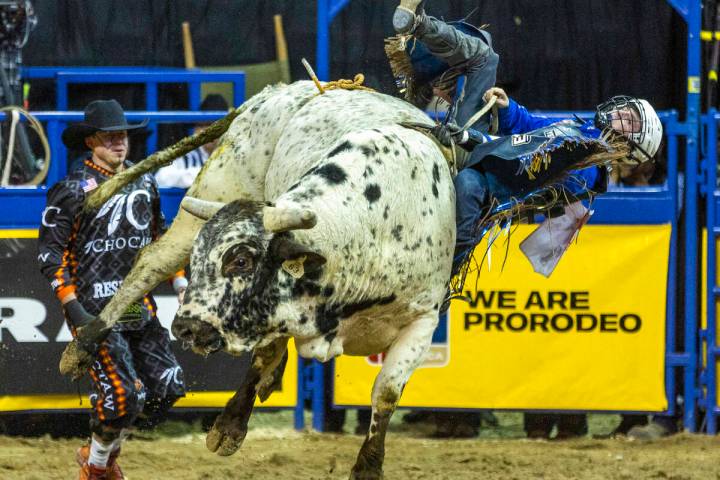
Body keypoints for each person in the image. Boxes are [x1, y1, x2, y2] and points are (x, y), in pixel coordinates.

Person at [38, 99, 187, 479]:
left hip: (136, 305)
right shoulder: (70, 189)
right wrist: (73, 309)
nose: (119, 144)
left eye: (123, 136)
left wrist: (181, 284)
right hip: (94, 308)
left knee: (168, 386)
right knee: (124, 394)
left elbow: (161, 242)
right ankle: (98, 468)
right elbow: (50, 255)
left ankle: (100, 451)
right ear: (91, 142)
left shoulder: (145, 181)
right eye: (110, 138)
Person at [154, 94, 229, 188]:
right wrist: (202, 175)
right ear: (196, 129)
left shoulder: (232, 154)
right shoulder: (187, 155)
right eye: (202, 125)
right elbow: (161, 178)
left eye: (214, 126)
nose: (208, 131)